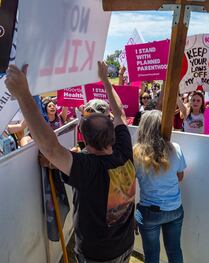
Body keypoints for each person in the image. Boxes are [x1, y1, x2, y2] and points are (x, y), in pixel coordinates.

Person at [5, 62, 136, 262]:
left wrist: (23, 94)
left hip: (98, 256)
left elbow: (50, 148)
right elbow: (120, 113)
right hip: (125, 246)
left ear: (83, 136)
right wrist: (106, 82)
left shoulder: (89, 168)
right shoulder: (125, 151)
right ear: (113, 134)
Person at [134, 110, 186, 263]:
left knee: (151, 255)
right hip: (174, 209)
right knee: (174, 250)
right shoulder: (175, 148)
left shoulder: (136, 152)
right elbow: (180, 177)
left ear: (143, 127)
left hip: (149, 211)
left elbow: (129, 184)